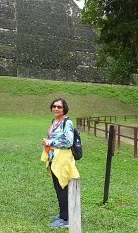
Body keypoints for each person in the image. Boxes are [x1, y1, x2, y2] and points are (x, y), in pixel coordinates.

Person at [41, 98, 80, 228]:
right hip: (54, 158)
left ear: (64, 109)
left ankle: (66, 219)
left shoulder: (67, 122)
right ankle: (63, 213)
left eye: (59, 107)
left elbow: (68, 142)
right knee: (58, 188)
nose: (56, 108)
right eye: (54, 106)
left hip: (62, 159)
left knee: (62, 187)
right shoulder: (55, 121)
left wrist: (49, 142)